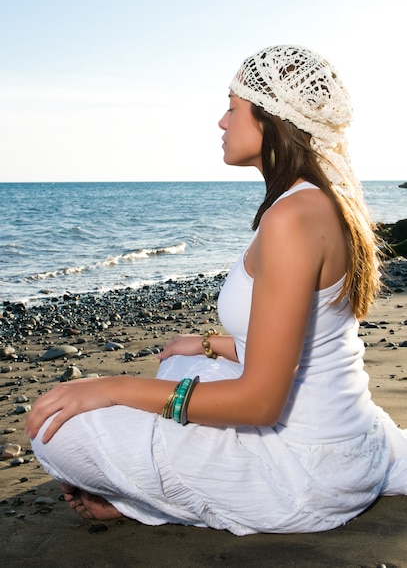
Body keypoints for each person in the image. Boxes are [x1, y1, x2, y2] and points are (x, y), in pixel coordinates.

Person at [26, 44, 407, 535]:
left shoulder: (292, 218)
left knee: (57, 434)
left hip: (307, 472)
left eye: (232, 107)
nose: (222, 122)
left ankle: (149, 504)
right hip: (345, 428)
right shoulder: (312, 202)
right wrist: (208, 345)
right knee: (180, 361)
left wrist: (109, 387)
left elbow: (259, 403)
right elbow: (312, 341)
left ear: (271, 119)